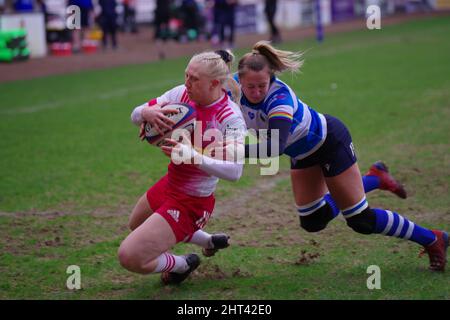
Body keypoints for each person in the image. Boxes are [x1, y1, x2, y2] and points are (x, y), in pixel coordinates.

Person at [222, 41, 448, 272]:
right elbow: (204, 82)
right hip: (302, 154)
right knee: (313, 221)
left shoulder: (279, 99)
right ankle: (376, 178)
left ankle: (433, 238)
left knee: (361, 220)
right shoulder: (232, 88)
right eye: (251, 87)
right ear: (240, 80)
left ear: (271, 78)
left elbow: (275, 147)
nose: (258, 91)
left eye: (263, 85)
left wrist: (232, 151)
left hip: (329, 143)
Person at [118, 50, 248, 285]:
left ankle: (182, 264)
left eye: (194, 79)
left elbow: (235, 172)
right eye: (186, 75)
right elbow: (135, 114)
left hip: (192, 201)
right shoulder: (182, 94)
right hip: (170, 184)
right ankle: (207, 241)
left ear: (215, 83)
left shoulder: (231, 118)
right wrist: (146, 112)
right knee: (135, 225)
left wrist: (193, 156)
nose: (187, 82)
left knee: (130, 256)